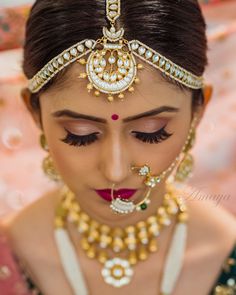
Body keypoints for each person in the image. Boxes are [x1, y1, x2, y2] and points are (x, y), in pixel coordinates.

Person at [0, 0, 235, 294]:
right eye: (80, 135)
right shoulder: (9, 257)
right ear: (35, 114)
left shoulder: (226, 250)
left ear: (197, 113)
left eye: (151, 133)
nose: (115, 171)